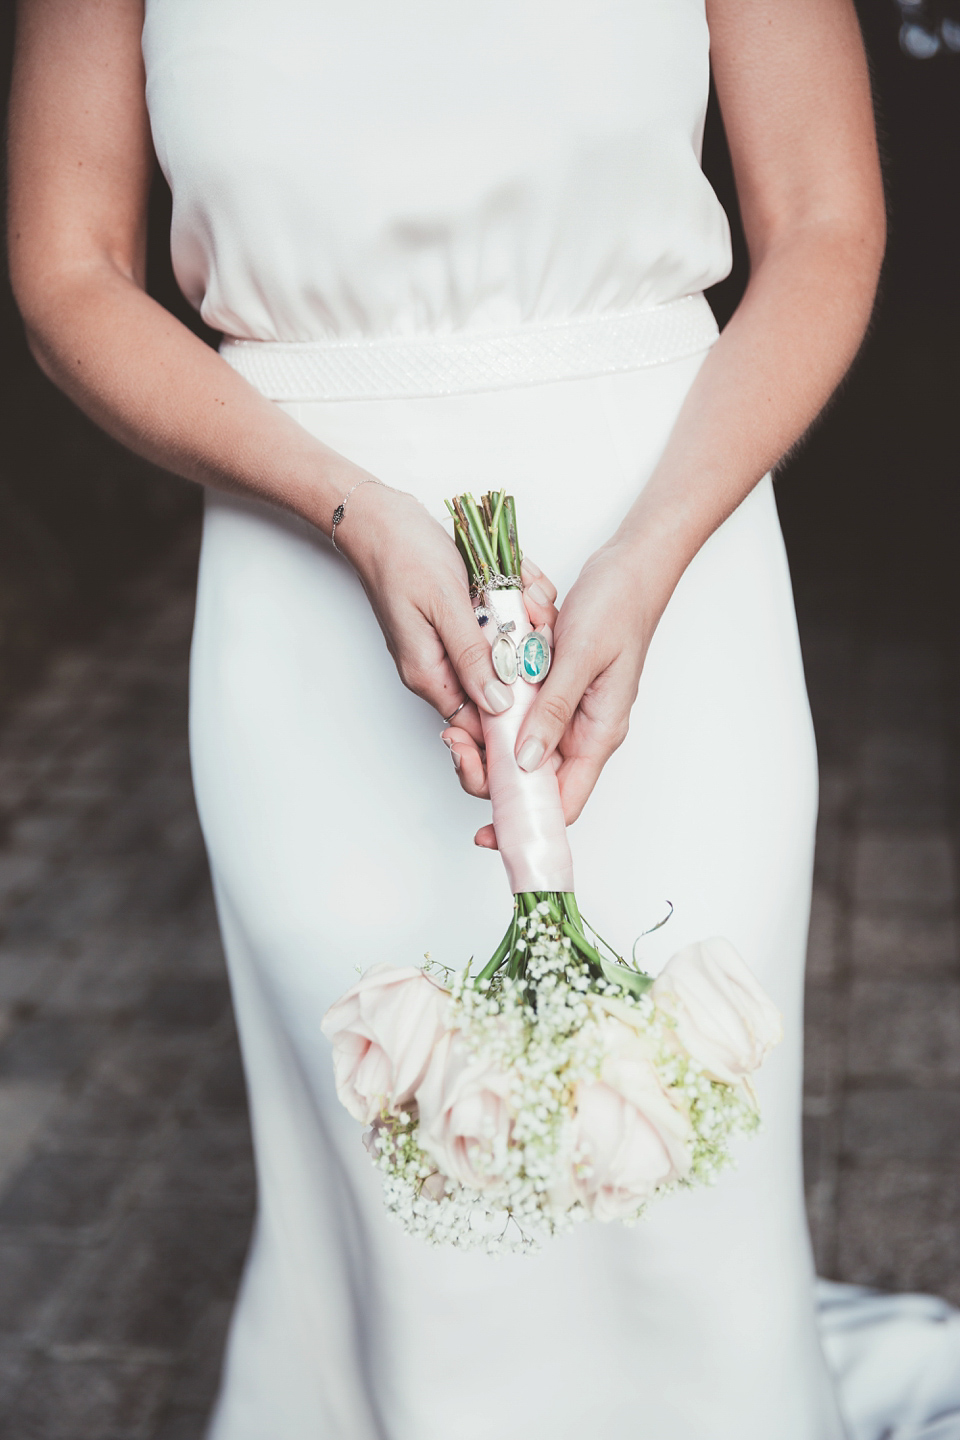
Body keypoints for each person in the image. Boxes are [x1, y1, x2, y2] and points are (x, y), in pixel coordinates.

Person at [10, 2, 957, 1437]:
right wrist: (350, 512)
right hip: (303, 569)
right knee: (404, 1174)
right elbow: (67, 272)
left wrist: (648, 559)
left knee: (680, 1160)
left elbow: (827, 220)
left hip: (670, 542)